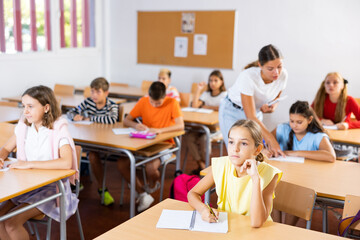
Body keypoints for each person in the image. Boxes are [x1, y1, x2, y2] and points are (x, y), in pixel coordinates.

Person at [0, 86, 78, 239]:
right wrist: (0, 157)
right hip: (26, 186)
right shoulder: (24, 128)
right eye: (24, 106)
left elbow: (66, 162)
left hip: (52, 189)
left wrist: (29, 164)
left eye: (30, 106)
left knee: (10, 223)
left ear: (46, 107)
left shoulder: (58, 130)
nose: (25, 111)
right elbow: (6, 148)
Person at [188, 119, 282, 228]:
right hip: (226, 228)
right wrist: (203, 209)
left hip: (255, 233)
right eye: (231, 142)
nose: (235, 149)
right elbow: (193, 193)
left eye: (243, 143)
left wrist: (256, 179)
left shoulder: (269, 174)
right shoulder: (222, 165)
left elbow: (256, 223)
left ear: (257, 149)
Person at [118, 81, 184, 212]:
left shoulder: (172, 103)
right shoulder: (143, 101)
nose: (154, 105)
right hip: (145, 142)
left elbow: (180, 126)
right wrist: (136, 125)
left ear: (165, 97)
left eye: (158, 103)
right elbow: (126, 120)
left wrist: (161, 130)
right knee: (122, 163)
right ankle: (142, 193)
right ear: (148, 96)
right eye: (152, 102)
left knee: (150, 168)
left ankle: (152, 186)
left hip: (165, 143)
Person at [219, 44, 288, 157]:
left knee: (257, 151)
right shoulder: (248, 76)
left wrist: (272, 107)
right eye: (270, 69)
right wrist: (271, 140)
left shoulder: (283, 75)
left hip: (255, 112)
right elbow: (250, 116)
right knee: (237, 151)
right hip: (232, 111)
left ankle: (255, 175)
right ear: (260, 65)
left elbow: (277, 96)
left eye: (279, 66)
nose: (276, 73)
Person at [67, 77, 119, 206]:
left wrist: (87, 117)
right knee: (70, 148)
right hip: (90, 141)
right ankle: (74, 183)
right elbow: (70, 112)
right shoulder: (88, 102)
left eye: (98, 92)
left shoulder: (112, 105)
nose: (94, 95)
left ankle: (102, 189)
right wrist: (75, 116)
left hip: (106, 143)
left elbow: (111, 120)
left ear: (106, 93)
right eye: (92, 92)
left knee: (93, 156)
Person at [184, 70, 227, 172]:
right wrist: (198, 90)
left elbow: (222, 108)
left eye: (216, 80)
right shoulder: (206, 94)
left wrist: (206, 106)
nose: (212, 83)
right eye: (210, 80)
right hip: (202, 126)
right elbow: (195, 106)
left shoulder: (225, 94)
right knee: (188, 137)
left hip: (215, 128)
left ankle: (205, 166)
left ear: (221, 82)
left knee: (204, 139)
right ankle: (202, 164)